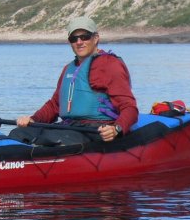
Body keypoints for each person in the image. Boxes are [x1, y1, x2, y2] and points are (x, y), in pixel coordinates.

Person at [9, 16, 138, 145]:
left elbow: (129, 107)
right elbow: (55, 105)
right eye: (74, 38)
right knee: (19, 133)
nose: (79, 42)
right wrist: (33, 120)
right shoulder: (68, 68)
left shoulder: (110, 65)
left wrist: (117, 129)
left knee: (59, 139)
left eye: (85, 37)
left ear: (96, 38)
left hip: (95, 130)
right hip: (69, 127)